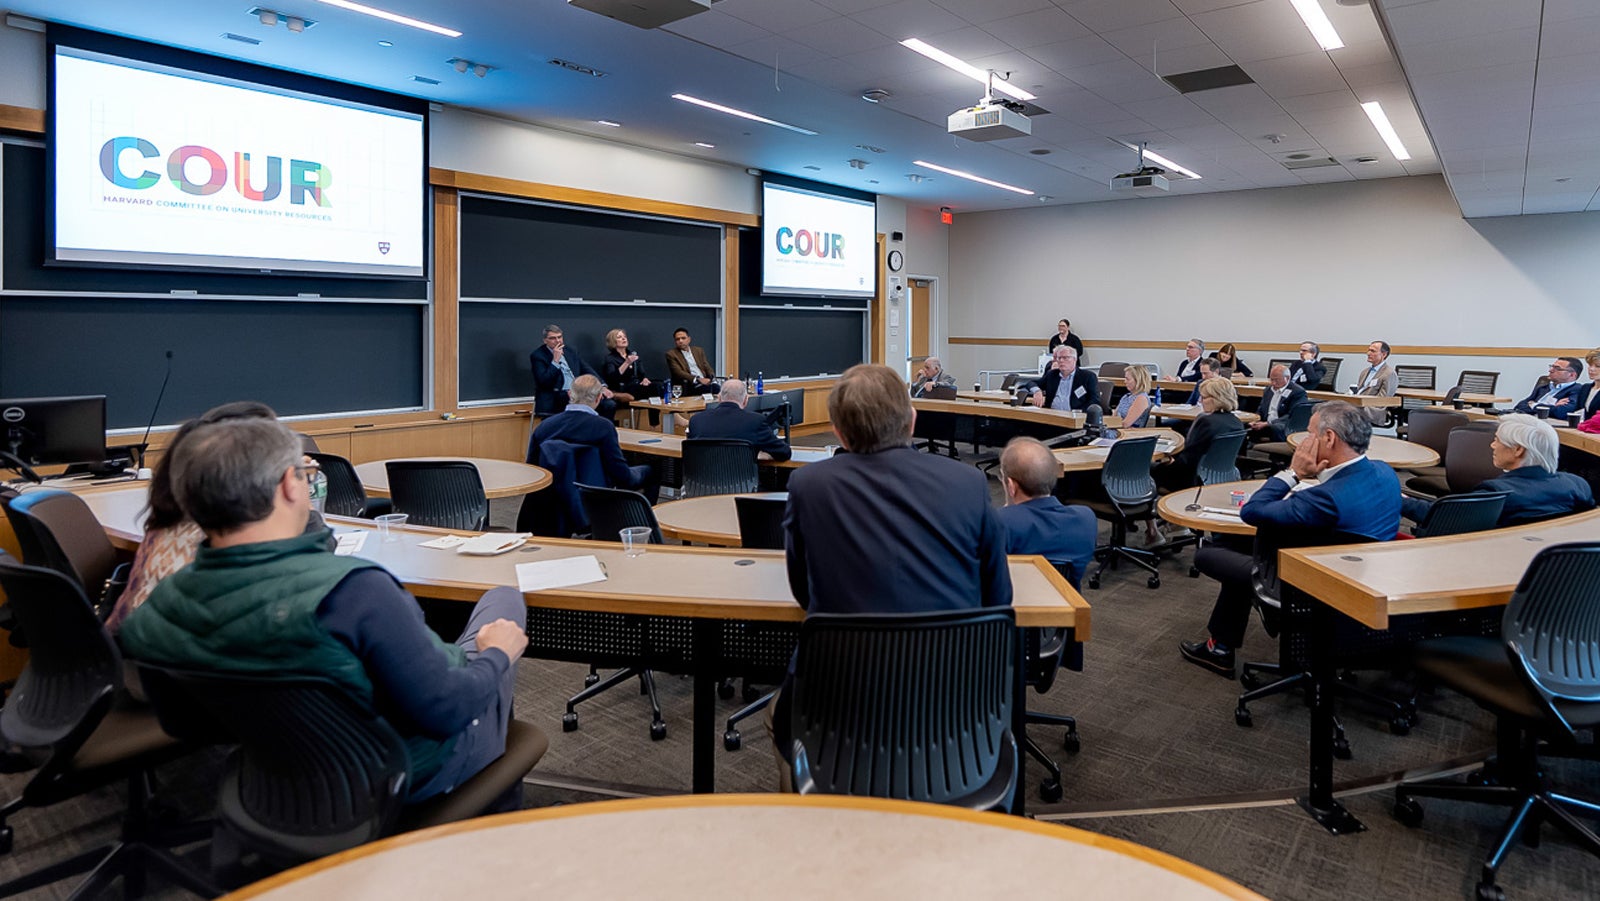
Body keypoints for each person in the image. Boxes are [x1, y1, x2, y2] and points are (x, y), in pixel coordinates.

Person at [119, 417, 530, 803]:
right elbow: (445, 711)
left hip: (272, 780)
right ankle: (491, 800)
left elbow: (183, 724)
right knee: (504, 601)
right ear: (288, 486)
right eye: (305, 474)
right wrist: (497, 654)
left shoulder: (160, 608)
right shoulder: (355, 592)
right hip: (404, 774)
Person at [1180, 401, 1401, 677]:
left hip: (1311, 586)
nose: (1304, 442)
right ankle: (1220, 646)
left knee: (1210, 553)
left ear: (1329, 438)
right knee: (1237, 546)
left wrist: (1292, 473)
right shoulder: (1384, 472)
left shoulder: (1323, 498)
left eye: (1310, 434)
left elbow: (1252, 511)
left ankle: (1220, 648)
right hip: (1359, 575)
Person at [783, 364, 1011, 614]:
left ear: (838, 432)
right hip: (947, 650)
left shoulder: (807, 485)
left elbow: (804, 591)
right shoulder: (968, 483)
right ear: (912, 421)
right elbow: (997, 595)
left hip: (844, 650)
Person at [107, 401, 326, 634]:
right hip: (180, 659)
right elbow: (315, 561)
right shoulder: (226, 529)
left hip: (137, 657)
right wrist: (299, 489)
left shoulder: (176, 513)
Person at [1401, 414, 1594, 527]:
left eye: (1497, 440)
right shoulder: (1576, 484)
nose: (1492, 446)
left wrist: (1399, 498)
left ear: (1518, 450)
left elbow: (1443, 518)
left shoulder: (1496, 493)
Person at [527, 374, 657, 503]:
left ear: (569, 394)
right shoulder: (603, 427)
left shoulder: (545, 426)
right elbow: (621, 475)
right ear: (599, 397)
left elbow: (533, 469)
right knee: (652, 471)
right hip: (593, 499)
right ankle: (634, 520)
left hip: (551, 502)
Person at [996, 437, 1096, 589]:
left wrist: (1007, 506)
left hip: (1015, 608)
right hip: (1067, 607)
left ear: (1011, 485)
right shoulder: (1085, 518)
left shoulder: (1000, 523)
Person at [1156, 377, 1246, 493]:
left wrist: (1170, 460)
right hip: (1224, 477)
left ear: (1216, 399)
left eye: (1203, 397)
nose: (1200, 401)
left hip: (1193, 479)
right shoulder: (1237, 423)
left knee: (1149, 469)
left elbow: (1188, 460)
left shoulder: (1206, 422)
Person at [686, 379, 792, 462]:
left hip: (701, 486)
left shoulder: (697, 420)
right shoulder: (756, 421)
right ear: (746, 400)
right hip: (742, 487)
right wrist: (760, 454)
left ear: (719, 398)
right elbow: (785, 452)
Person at [531, 324, 614, 418]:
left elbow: (586, 368)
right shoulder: (538, 356)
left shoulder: (570, 351)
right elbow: (544, 382)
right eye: (553, 338)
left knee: (609, 404)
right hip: (557, 396)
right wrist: (555, 362)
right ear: (545, 340)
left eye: (559, 337)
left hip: (578, 393)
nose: (558, 341)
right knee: (575, 403)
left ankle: (602, 431)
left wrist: (601, 386)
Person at [1028, 345, 1101, 413]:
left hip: (1075, 416)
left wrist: (1079, 412)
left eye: (1065, 358)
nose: (1061, 361)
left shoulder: (1087, 377)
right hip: (1052, 415)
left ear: (1074, 359)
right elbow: (1031, 383)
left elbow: (1094, 400)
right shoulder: (1052, 374)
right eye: (1059, 358)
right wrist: (1037, 391)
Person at [1248, 364, 1307, 442]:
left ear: (1287, 378)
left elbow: (1293, 415)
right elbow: (1261, 408)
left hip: (1282, 424)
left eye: (1276, 380)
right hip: (1265, 422)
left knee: (1275, 428)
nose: (1273, 383)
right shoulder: (1268, 390)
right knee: (1244, 425)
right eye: (1271, 379)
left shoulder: (1297, 392)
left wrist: (1268, 423)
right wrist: (1255, 420)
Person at [1512, 356, 1584, 417]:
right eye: (1552, 367)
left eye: (1557, 368)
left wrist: (1533, 405)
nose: (1550, 370)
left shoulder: (1577, 390)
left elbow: (1560, 412)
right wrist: (1553, 406)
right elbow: (1519, 406)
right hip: (1530, 420)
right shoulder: (1543, 387)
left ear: (1572, 375)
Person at [1349, 340, 1398, 424]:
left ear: (1384, 354)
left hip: (1374, 410)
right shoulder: (1365, 372)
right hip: (1359, 403)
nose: (1368, 353)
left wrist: (1362, 404)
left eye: (1372, 351)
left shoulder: (1389, 373)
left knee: (1345, 410)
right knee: (1332, 406)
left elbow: (1383, 400)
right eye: (1368, 350)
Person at [600, 328, 654, 403]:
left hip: (636, 385)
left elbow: (642, 374)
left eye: (624, 336)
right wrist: (626, 363)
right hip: (622, 387)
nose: (623, 338)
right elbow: (613, 378)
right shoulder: (610, 359)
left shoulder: (632, 355)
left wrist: (644, 379)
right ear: (613, 341)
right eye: (619, 337)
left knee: (656, 387)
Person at [665, 328, 718, 393]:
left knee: (719, 387)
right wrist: (698, 379)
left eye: (683, 338)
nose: (680, 341)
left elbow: (706, 366)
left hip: (705, 381)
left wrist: (712, 378)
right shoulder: (671, 354)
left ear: (689, 339)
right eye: (677, 339)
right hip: (691, 383)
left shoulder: (698, 350)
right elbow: (678, 372)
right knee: (714, 389)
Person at [1575, 349, 1600, 420]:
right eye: (1590, 365)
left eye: (1598, 366)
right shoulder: (1585, 388)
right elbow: (1577, 412)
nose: (1591, 369)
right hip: (1581, 428)